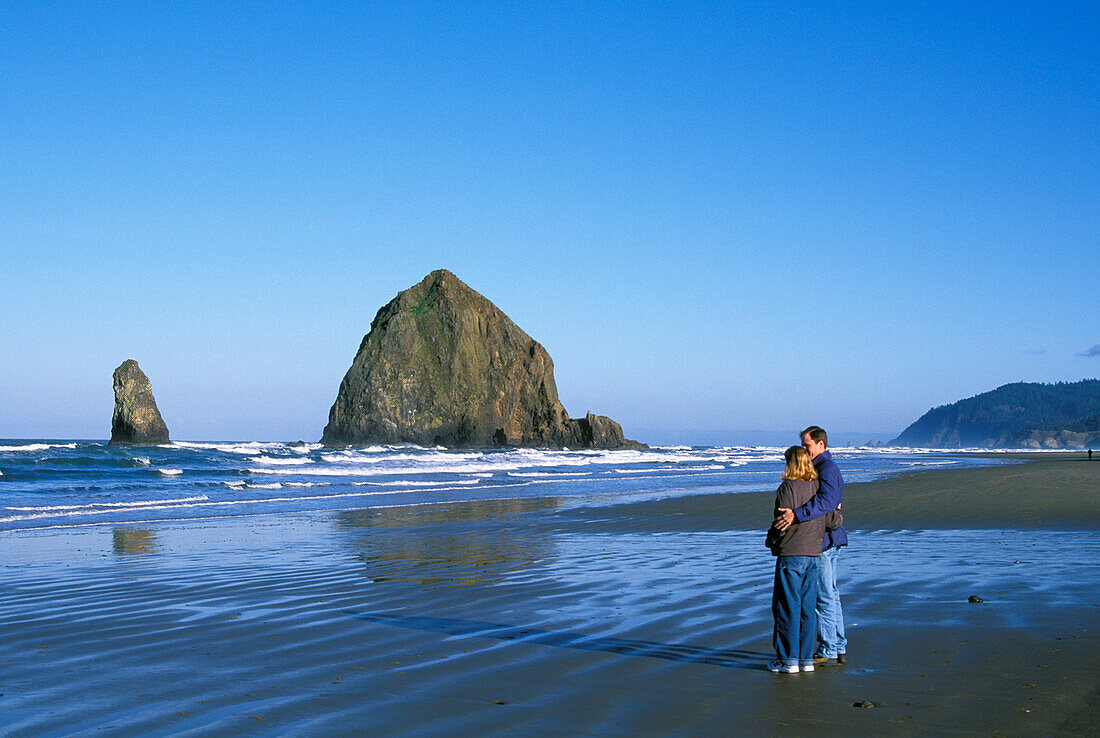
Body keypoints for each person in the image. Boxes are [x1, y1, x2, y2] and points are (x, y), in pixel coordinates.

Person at [774, 425, 848, 666]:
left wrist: (796, 514)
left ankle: (830, 647)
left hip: (823, 541)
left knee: (823, 596)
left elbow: (827, 503)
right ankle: (835, 645)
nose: (805, 449)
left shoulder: (826, 468)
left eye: (807, 445)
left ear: (820, 444)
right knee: (827, 594)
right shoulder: (818, 470)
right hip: (822, 539)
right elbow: (830, 507)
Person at [765, 445, 827, 674]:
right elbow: (832, 521)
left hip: (792, 552)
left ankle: (788, 659)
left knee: (786, 607)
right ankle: (805, 658)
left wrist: (771, 540)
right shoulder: (820, 489)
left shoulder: (787, 488)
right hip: (813, 552)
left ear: (791, 463)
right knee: (807, 608)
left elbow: (780, 523)